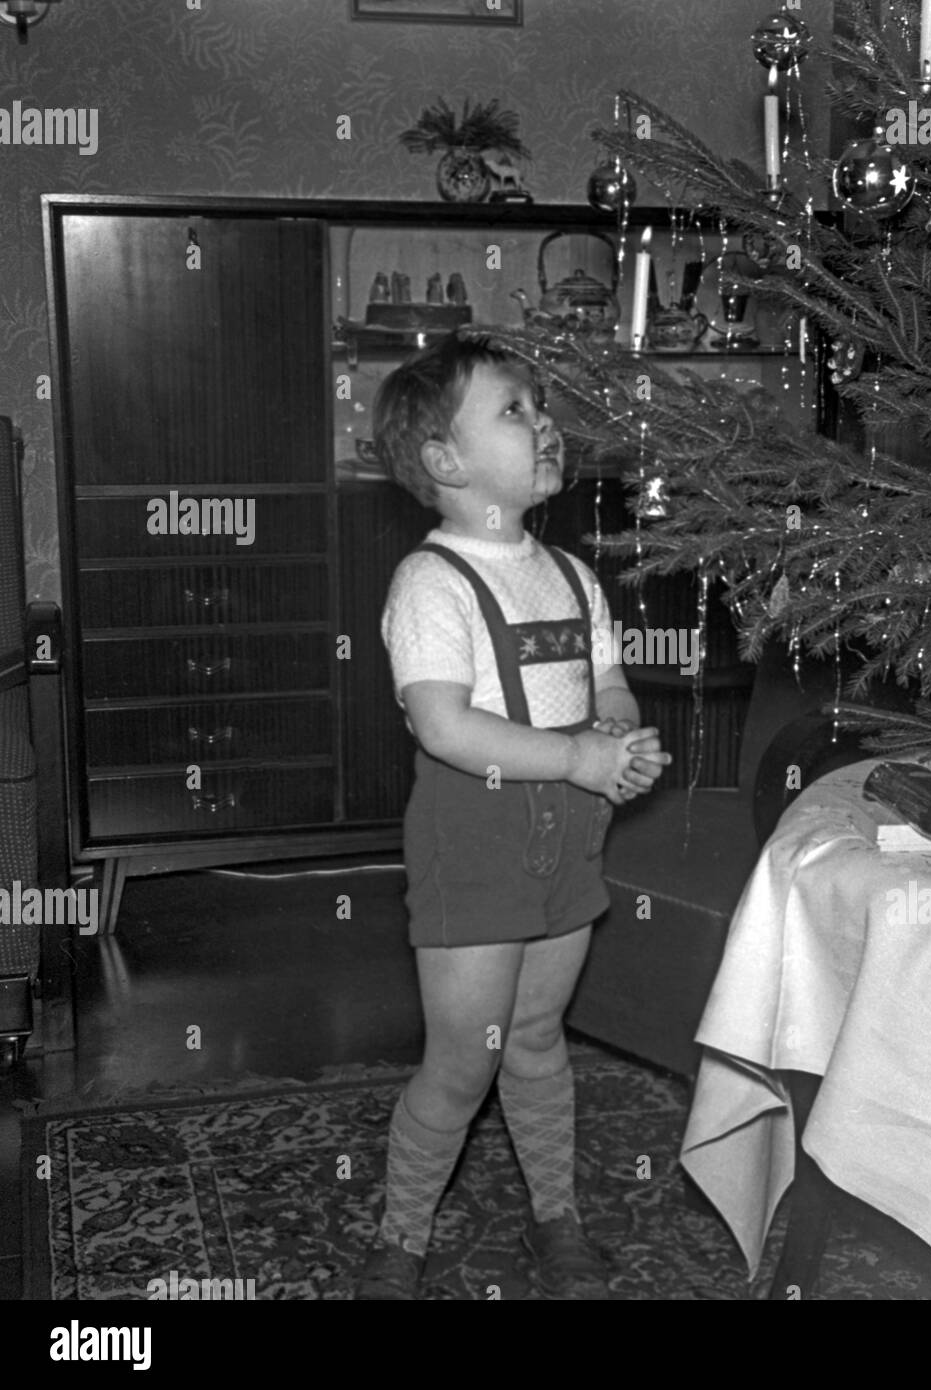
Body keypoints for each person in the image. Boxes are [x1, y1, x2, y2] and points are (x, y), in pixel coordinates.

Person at [355, 332, 670, 1300]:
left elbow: (608, 685)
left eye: (540, 405)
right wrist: (580, 756)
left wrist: (621, 743)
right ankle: (402, 1231)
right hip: (472, 847)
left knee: (536, 1038)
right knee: (460, 1065)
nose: (543, 421)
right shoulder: (430, 582)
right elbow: (446, 725)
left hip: (570, 842)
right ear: (446, 463)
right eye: (513, 409)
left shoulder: (573, 576)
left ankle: (555, 1215)